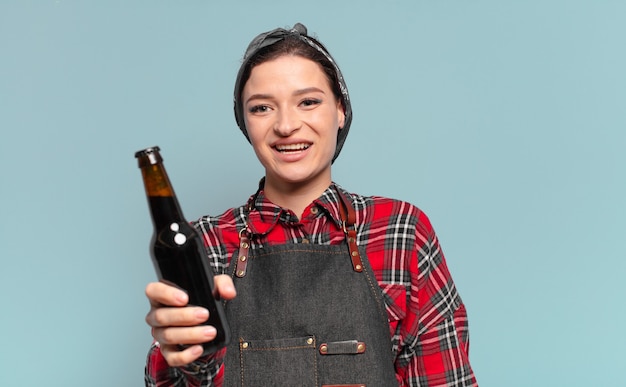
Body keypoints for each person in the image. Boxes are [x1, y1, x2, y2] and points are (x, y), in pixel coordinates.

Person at [144, 23, 478, 386]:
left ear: (340, 111)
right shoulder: (205, 242)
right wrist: (182, 355)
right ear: (245, 123)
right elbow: (173, 378)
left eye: (308, 101)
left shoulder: (400, 231)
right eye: (262, 108)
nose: (286, 125)